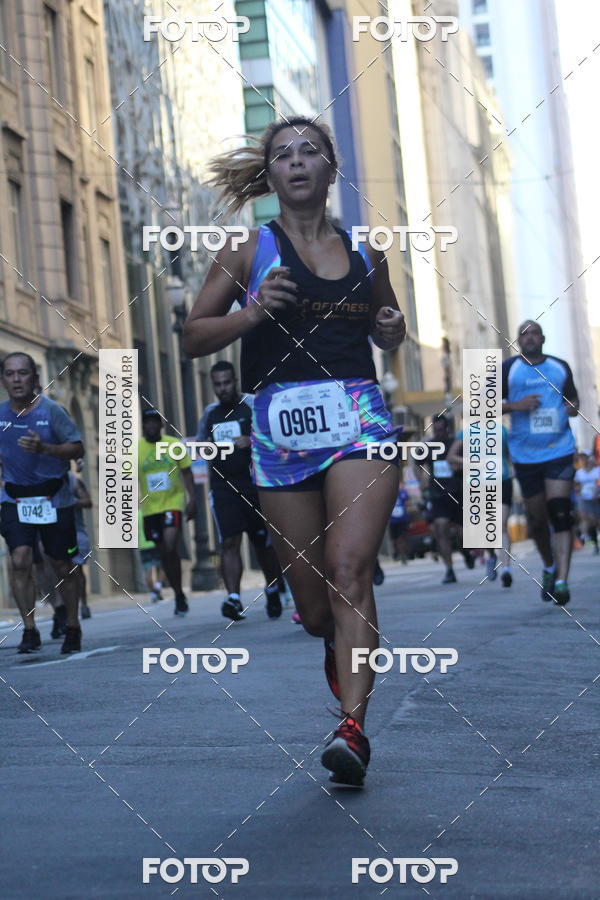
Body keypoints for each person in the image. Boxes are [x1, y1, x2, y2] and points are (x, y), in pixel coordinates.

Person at [183, 116, 406, 786]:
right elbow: (191, 337)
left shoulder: (368, 252)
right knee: (314, 608)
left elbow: (389, 331)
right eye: (284, 155)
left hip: (358, 418)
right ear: (271, 176)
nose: (299, 162)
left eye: (311, 151)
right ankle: (338, 652)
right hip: (280, 428)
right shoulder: (248, 249)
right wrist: (253, 313)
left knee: (350, 569)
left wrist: (391, 329)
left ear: (331, 169)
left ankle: (354, 730)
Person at [0, 352, 84, 654]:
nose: (16, 379)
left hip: (54, 496)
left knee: (63, 564)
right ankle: (30, 630)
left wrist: (45, 448)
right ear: (4, 379)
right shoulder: (0, 415)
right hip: (15, 496)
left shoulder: (52, 412)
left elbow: (77, 448)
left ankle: (73, 625)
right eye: (10, 374)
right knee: (20, 559)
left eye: (23, 373)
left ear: (35, 378)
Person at [196, 360, 287, 621]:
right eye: (218, 385)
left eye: (227, 383)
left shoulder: (251, 404)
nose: (223, 389)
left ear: (235, 381)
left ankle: (272, 587)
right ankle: (233, 598)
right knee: (229, 542)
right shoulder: (209, 414)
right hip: (223, 487)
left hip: (255, 485)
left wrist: (251, 440)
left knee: (263, 543)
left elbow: (273, 437)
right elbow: (202, 446)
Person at [502, 321, 579, 604]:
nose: (530, 337)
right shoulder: (508, 369)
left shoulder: (559, 366)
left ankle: (562, 580)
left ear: (543, 338)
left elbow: (574, 402)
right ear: (518, 341)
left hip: (558, 449)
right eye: (525, 333)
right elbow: (482, 406)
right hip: (525, 455)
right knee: (537, 520)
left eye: (535, 332)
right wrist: (515, 405)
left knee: (560, 512)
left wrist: (566, 409)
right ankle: (548, 566)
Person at [138, 408, 196, 616]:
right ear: (143, 425)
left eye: (155, 422)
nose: (151, 425)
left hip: (173, 503)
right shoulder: (136, 450)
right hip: (150, 509)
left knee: (170, 546)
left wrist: (192, 499)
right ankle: (179, 593)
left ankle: (179, 593)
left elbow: (187, 472)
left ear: (161, 425)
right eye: (148, 422)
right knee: (163, 553)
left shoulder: (173, 444)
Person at [448, 423, 515, 587]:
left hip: (502, 480)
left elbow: (511, 455)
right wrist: (471, 462)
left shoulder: (501, 430)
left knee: (501, 526)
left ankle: (506, 569)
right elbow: (451, 456)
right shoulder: (466, 432)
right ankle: (491, 556)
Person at [419, 415, 474, 584]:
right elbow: (416, 463)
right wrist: (422, 483)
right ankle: (449, 569)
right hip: (438, 494)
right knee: (441, 528)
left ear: (447, 428)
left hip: (458, 491)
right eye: (436, 430)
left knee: (463, 532)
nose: (438, 433)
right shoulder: (428, 446)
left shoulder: (456, 443)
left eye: (441, 429)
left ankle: (465, 550)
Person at [68, 458, 93, 618]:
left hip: (75, 533)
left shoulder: (73, 481)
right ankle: (65, 607)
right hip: (53, 533)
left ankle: (83, 604)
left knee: (75, 568)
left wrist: (69, 502)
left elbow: (88, 501)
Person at [574, 453, 600, 554]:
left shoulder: (597, 470)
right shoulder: (579, 472)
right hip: (585, 499)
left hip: (597, 498)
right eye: (581, 458)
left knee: (597, 521)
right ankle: (595, 544)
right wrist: (579, 492)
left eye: (585, 457)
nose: (583, 460)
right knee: (589, 520)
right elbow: (576, 485)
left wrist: (596, 491)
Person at [138, 509, 165, 603]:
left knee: (148, 572)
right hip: (155, 543)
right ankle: (158, 587)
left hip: (143, 546)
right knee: (163, 566)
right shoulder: (149, 512)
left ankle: (153, 594)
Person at [389, 478, 411, 563]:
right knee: (395, 539)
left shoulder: (403, 493)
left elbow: (408, 504)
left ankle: (403, 555)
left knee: (402, 538)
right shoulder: (389, 493)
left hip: (402, 519)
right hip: (393, 520)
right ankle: (398, 552)